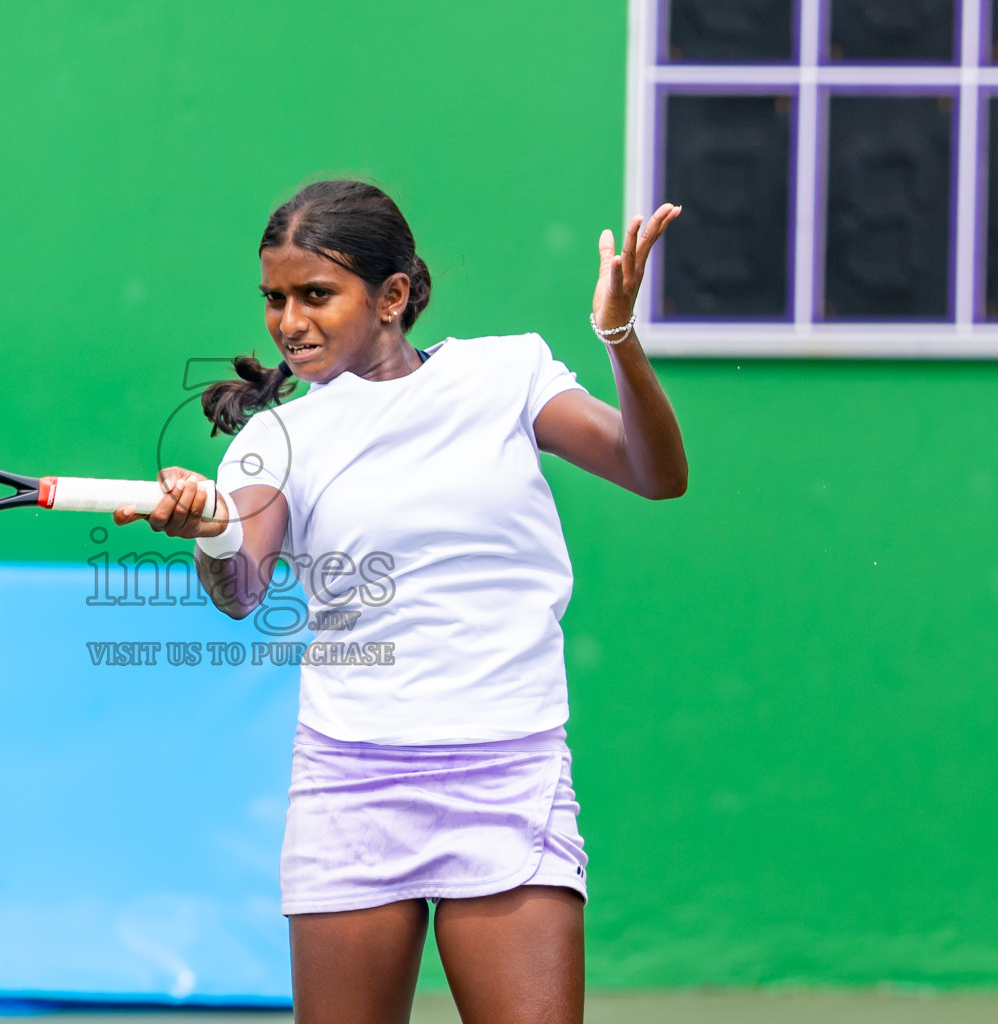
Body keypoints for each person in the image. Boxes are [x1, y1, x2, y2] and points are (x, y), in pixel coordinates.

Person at [113, 179, 687, 1024]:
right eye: (274, 299)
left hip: (508, 769)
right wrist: (210, 531)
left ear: (392, 296)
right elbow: (240, 592)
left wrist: (619, 337)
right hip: (352, 779)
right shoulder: (278, 438)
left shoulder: (507, 372)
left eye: (316, 294)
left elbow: (655, 473)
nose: (289, 321)